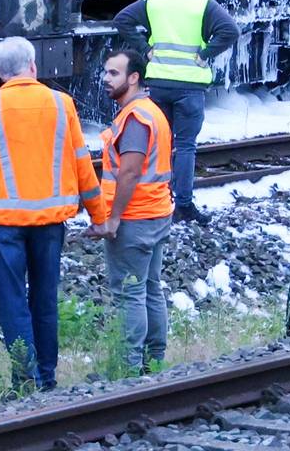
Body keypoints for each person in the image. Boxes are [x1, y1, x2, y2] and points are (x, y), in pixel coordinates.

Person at [0, 36, 107, 393]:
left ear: (0, 72)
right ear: (33, 66)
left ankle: (25, 380)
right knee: (45, 299)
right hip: (51, 222)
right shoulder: (61, 103)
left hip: (4, 225)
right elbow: (82, 163)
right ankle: (47, 378)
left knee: (13, 301)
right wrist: (100, 215)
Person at [107, 0, 239, 222]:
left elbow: (123, 20)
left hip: (159, 85)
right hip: (189, 86)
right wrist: (205, 54)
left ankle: (159, 199)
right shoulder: (204, 4)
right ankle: (184, 205)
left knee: (160, 144)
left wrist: (144, 49)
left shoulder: (156, 0)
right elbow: (230, 31)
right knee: (186, 145)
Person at [86, 46, 175, 374]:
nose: (106, 79)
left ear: (134, 77)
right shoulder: (149, 111)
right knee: (150, 287)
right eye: (106, 72)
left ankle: (129, 367)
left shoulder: (136, 118)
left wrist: (113, 219)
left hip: (135, 218)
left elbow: (130, 171)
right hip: (156, 212)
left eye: (114, 73)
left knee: (130, 293)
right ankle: (154, 361)